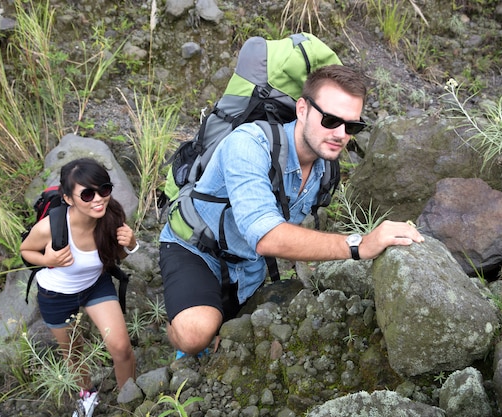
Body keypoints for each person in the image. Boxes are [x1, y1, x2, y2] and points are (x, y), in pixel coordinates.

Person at [159, 64, 424, 357]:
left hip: (248, 263)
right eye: (331, 119)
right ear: (302, 109)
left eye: (352, 126)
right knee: (196, 335)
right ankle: (174, 329)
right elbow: (267, 237)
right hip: (195, 248)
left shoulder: (325, 169)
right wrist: (359, 244)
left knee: (234, 332)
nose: (340, 134)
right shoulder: (249, 144)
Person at [20, 157, 138, 416]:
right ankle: (86, 396)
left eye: (104, 190)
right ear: (69, 199)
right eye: (87, 194)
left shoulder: (112, 214)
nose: (98, 199)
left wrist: (131, 243)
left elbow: (118, 256)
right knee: (74, 354)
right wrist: (48, 260)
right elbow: (26, 250)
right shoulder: (52, 226)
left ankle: (128, 400)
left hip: (96, 285)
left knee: (121, 348)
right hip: (56, 295)